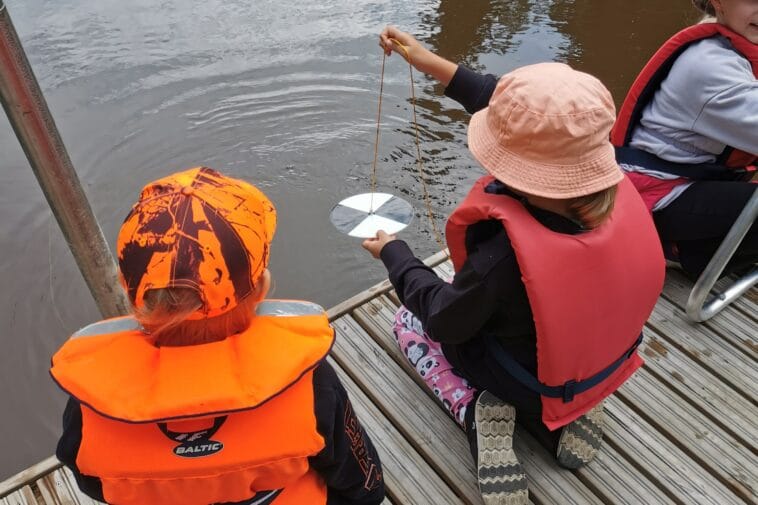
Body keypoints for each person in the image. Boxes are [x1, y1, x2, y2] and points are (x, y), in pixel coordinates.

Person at [364, 30, 665, 505]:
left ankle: (474, 409)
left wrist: (395, 255)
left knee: (411, 320)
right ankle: (575, 409)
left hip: (521, 376)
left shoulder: (501, 259)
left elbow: (443, 317)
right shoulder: (619, 196)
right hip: (599, 363)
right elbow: (503, 103)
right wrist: (427, 61)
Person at [51, 167, 385, 505]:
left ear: (131, 294)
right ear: (261, 287)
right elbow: (363, 482)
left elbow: (90, 481)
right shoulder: (313, 386)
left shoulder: (91, 405)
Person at [610, 0, 757, 278]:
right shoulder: (710, 67)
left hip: (695, 177)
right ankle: (690, 254)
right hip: (658, 197)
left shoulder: (730, 37)